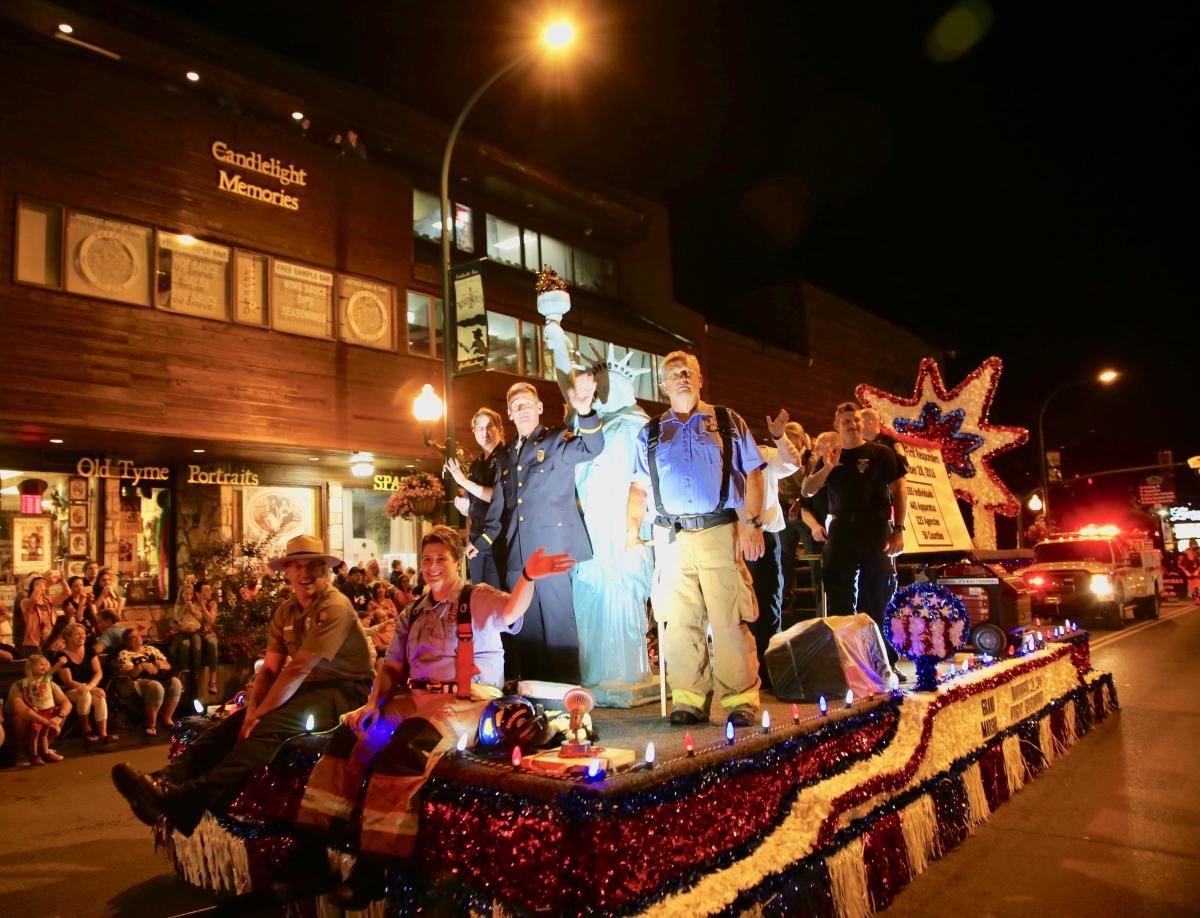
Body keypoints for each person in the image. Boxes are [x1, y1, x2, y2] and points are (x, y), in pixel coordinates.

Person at [297, 526, 574, 906]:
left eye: (440, 559)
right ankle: (311, 849)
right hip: (414, 697)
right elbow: (392, 666)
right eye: (426, 559)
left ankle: (375, 867)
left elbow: (511, 610)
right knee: (349, 738)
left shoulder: (474, 599)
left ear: (457, 562)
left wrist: (528, 577)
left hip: (467, 701)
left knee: (408, 747)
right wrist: (372, 706)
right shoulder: (413, 611)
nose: (431, 567)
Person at [112, 534, 375, 837]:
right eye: (297, 566)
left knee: (268, 728)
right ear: (286, 572)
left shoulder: (336, 606)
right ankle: (163, 781)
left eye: (314, 566)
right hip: (307, 687)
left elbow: (299, 668)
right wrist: (250, 713)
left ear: (326, 571)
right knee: (232, 726)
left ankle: (189, 801)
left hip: (345, 689)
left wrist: (260, 715)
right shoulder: (285, 612)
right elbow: (271, 668)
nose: (305, 574)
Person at [627, 351, 767, 726]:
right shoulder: (651, 432)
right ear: (663, 385)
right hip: (670, 539)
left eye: (688, 372)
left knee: (728, 617)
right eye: (674, 374)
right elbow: (639, 489)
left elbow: (753, 472)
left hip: (720, 531)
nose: (682, 378)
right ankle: (688, 699)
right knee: (677, 620)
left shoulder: (725, 420)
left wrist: (752, 522)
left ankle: (740, 700)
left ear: (700, 378)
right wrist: (630, 533)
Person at [475, 376, 602, 684]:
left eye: (527, 404)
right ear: (509, 413)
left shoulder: (556, 441)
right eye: (516, 406)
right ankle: (536, 708)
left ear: (540, 407)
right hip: (519, 558)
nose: (522, 410)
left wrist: (585, 411)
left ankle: (570, 707)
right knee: (527, 633)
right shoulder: (506, 456)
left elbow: (592, 447)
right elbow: (501, 508)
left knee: (559, 630)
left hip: (552, 552)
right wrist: (482, 541)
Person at [802, 402, 907, 669]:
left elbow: (899, 489)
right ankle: (845, 661)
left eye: (856, 420)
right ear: (837, 426)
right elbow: (807, 491)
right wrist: (827, 468)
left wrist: (899, 529)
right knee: (838, 593)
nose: (852, 424)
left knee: (877, 593)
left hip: (876, 527)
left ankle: (882, 660)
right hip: (841, 529)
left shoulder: (880, 453)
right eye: (846, 421)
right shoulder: (829, 457)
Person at [741, 411, 803, 687]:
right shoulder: (721, 457)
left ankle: (769, 671)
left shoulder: (765, 454)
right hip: (733, 539)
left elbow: (793, 463)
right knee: (738, 610)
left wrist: (780, 437)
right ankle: (743, 671)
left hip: (765, 537)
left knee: (769, 605)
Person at [447, 407, 506, 589]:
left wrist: (463, 481)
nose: (484, 431)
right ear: (473, 432)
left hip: (498, 542)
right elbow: (472, 507)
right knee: (480, 599)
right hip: (477, 544)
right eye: (479, 427)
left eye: (489, 426)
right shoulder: (476, 464)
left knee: (499, 602)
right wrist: (465, 508)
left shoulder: (506, 458)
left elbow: (498, 497)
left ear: (500, 430)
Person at [52, 622, 114, 745]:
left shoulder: (89, 651)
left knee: (100, 696)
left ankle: (103, 734)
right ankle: (86, 729)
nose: (82, 636)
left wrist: (91, 686)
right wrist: (88, 689)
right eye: (77, 634)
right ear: (68, 638)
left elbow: (98, 672)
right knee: (84, 695)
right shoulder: (62, 655)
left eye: (83, 634)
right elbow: (68, 681)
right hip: (69, 690)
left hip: (88, 686)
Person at [8, 653, 71, 765]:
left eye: (46, 664)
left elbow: (66, 703)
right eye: (41, 665)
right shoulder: (20, 684)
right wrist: (47, 722)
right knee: (24, 723)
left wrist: (58, 717)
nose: (45, 667)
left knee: (56, 715)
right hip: (33, 714)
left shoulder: (48, 682)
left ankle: (44, 750)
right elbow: (21, 709)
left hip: (46, 712)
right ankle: (25, 753)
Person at [117, 629, 181, 735]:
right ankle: (151, 724)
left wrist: (161, 665)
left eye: (138, 635)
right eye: (133, 637)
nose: (137, 638)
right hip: (139, 680)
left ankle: (167, 719)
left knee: (176, 683)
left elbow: (168, 665)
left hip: (160, 676)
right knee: (155, 686)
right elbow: (130, 674)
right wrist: (142, 666)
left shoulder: (151, 649)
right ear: (126, 642)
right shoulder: (125, 653)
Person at [861, 407, 910, 474]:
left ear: (870, 423)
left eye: (860, 422)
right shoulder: (861, 445)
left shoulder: (891, 442)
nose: (857, 426)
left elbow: (902, 470)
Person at [20, 575, 56, 655]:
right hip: (33, 642)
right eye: (37, 584)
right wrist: (39, 585)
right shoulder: (25, 601)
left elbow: (67, 593)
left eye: (43, 584)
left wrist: (61, 579)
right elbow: (34, 599)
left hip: (48, 641)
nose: (41, 586)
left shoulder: (48, 601)